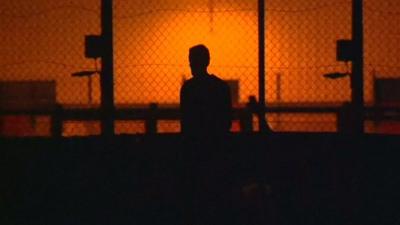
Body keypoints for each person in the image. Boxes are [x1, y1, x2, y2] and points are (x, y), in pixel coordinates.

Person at [179, 44, 234, 225]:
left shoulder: (188, 88)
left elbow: (186, 122)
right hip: (218, 147)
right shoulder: (220, 87)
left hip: (194, 149)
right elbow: (227, 120)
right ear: (208, 61)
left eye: (191, 61)